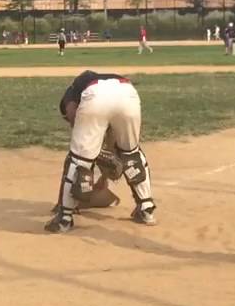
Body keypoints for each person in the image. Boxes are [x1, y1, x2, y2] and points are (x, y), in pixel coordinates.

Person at [45, 70, 155, 233]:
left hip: (96, 96)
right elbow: (110, 131)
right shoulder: (96, 80)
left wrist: (91, 154)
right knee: (131, 153)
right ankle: (146, 209)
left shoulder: (70, 94)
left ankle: (64, 218)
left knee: (78, 160)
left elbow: (73, 116)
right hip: (128, 93)